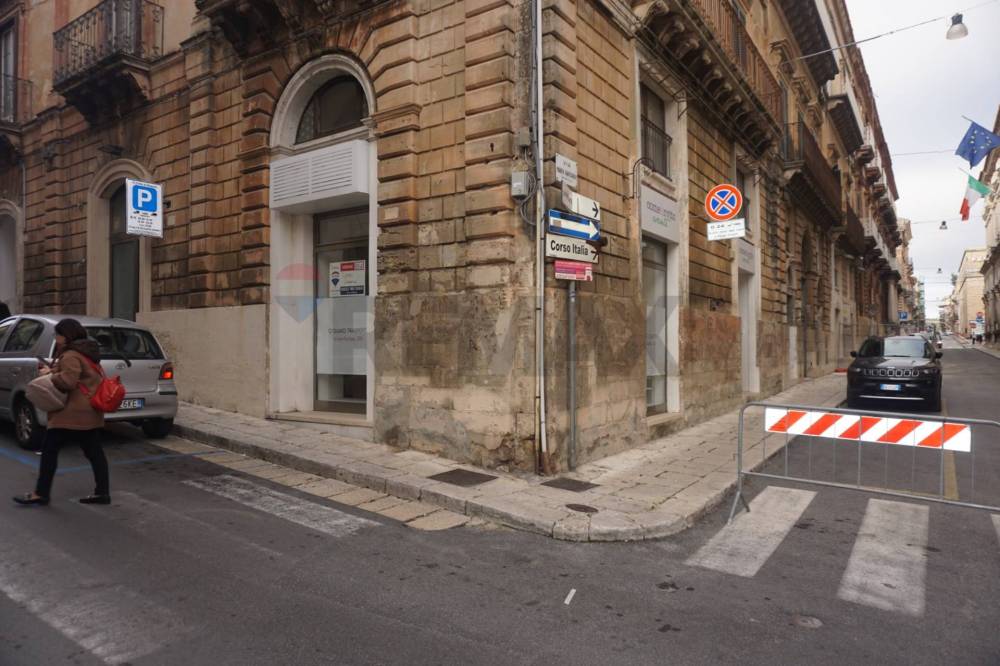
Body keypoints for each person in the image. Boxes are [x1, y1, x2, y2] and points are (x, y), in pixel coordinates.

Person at [13, 318, 110, 506]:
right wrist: (54, 370)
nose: (56, 339)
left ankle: (41, 493)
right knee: (95, 453)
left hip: (70, 414)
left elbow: (68, 382)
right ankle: (103, 493)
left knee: (49, 450)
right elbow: (78, 376)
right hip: (89, 412)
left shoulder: (71, 354)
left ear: (66, 336)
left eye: (57, 335)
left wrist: (50, 375)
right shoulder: (87, 353)